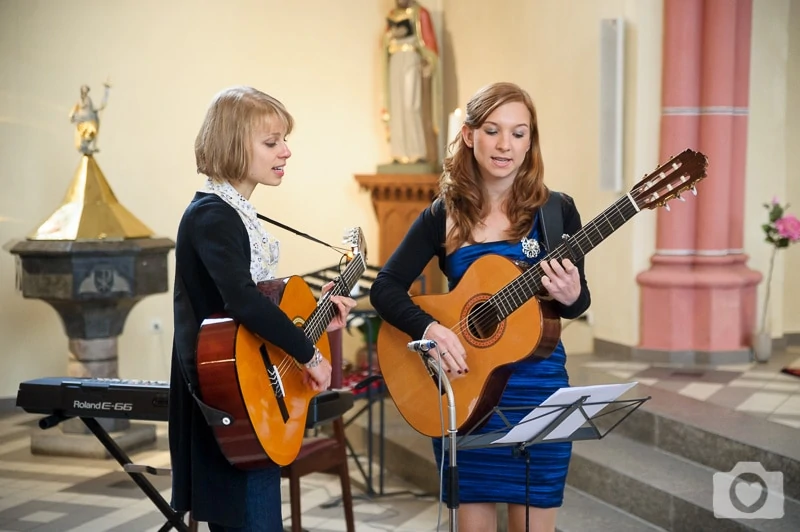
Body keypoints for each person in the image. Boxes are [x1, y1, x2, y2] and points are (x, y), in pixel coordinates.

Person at [369, 81, 591, 532]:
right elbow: (386, 288)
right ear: (470, 135)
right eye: (493, 130)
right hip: (465, 387)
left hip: (539, 390)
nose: (506, 145)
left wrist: (572, 296)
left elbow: (575, 301)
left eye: (519, 133)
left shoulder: (556, 212)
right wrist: (431, 329)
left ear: (531, 141)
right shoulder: (443, 214)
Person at [168, 86, 357, 532]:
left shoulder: (234, 213)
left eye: (284, 141)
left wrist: (318, 313)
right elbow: (241, 300)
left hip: (251, 385)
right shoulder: (212, 215)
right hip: (227, 391)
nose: (286, 151)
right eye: (271, 143)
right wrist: (308, 353)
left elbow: (258, 304)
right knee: (249, 518)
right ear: (234, 146)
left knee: (258, 516)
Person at [381, 0, 442, 165]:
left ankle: (417, 152)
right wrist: (391, 36)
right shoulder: (392, 15)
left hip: (411, 60)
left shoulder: (420, 13)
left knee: (411, 105)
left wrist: (429, 61)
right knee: (397, 107)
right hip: (395, 61)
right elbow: (385, 43)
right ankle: (399, 152)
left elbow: (429, 44)